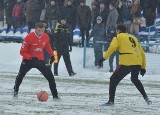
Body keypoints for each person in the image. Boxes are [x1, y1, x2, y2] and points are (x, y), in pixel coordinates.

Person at [99, 24, 152, 106]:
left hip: (127, 62)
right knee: (135, 79)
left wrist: (103, 58)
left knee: (113, 79)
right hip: (137, 61)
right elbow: (142, 53)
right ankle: (146, 98)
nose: (116, 32)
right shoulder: (134, 38)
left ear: (119, 31)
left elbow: (112, 47)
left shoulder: (118, 37)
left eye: (117, 31)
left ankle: (111, 101)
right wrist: (143, 67)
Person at [13, 22, 59, 99]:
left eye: (42, 30)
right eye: (38, 30)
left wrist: (52, 55)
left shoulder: (46, 36)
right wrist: (30, 57)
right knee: (20, 76)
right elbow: (22, 52)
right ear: (35, 29)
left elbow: (48, 47)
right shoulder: (28, 37)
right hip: (28, 61)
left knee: (51, 78)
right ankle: (15, 91)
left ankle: (55, 96)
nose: (40, 32)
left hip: (39, 61)